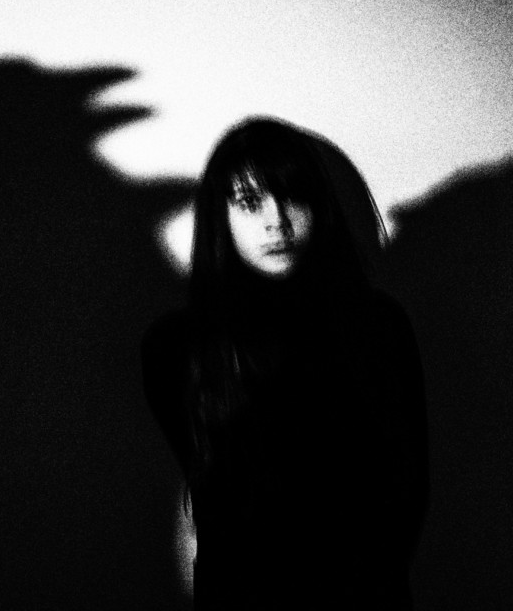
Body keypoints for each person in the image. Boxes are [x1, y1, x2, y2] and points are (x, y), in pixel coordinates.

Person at [142, 117, 428, 610]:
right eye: (250, 202)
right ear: (220, 215)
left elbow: (407, 489)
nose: (277, 220)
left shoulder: (377, 325)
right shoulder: (176, 345)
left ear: (320, 205)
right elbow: (215, 498)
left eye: (293, 196)